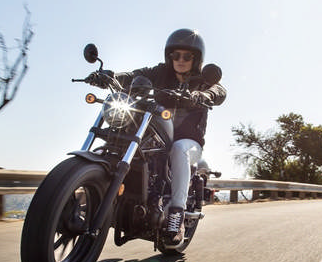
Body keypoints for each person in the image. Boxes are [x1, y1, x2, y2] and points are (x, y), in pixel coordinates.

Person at [86, 28, 226, 245]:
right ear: (169, 56)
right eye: (175, 55)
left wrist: (202, 95)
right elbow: (133, 77)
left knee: (178, 150)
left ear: (195, 58)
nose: (180, 60)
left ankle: (176, 216)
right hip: (156, 135)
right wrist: (110, 76)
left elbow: (219, 91)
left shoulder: (202, 81)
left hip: (188, 141)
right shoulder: (160, 72)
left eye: (186, 56)